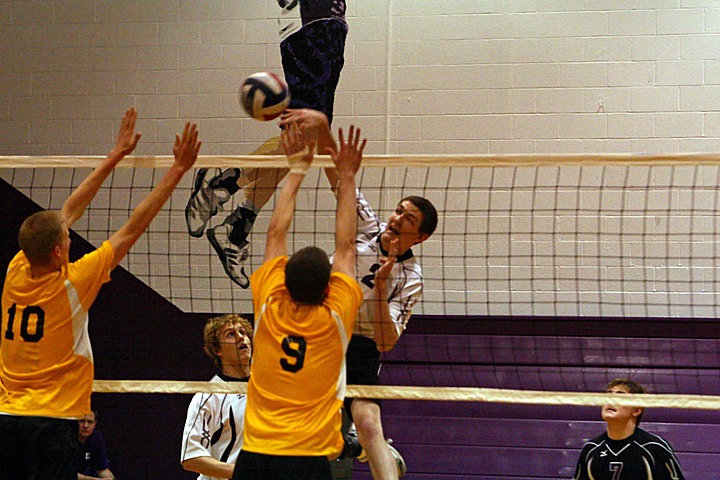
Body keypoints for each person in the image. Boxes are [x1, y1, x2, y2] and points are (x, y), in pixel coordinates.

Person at [0, 108, 201, 480]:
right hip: (52, 423)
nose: (70, 234)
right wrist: (178, 170)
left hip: (8, 419)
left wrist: (116, 154)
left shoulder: (17, 267)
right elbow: (133, 226)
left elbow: (68, 211)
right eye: (66, 238)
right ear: (59, 252)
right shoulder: (72, 284)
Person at [279, 108, 437, 480]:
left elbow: (385, 341)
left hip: (360, 345)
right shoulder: (368, 225)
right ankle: (342, 444)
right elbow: (340, 179)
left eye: (408, 220)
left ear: (422, 237)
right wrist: (321, 129)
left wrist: (381, 287)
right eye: (399, 211)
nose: (397, 220)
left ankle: (365, 447)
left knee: (368, 421)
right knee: (299, 421)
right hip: (318, 331)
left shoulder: (410, 276)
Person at [231, 121, 364, 480]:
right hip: (306, 458)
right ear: (328, 289)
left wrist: (296, 170)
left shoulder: (269, 304)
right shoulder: (334, 317)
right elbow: (348, 247)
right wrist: (347, 177)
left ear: (284, 283)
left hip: (256, 453)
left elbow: (276, 232)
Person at [185, 0, 348, 288]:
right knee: (307, 131)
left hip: (326, 25)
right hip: (313, 22)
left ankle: (237, 224)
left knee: (307, 138)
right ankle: (224, 182)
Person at [181, 314, 253, 480]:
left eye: (243, 332)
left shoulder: (267, 389)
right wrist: (241, 473)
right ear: (217, 350)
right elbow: (191, 458)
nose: (241, 338)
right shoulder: (208, 397)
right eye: (230, 334)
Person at [572, 378, 686, 480]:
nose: (610, 400)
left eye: (620, 396)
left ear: (636, 410)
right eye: (608, 395)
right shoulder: (591, 449)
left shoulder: (654, 448)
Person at [78, 410, 116, 480]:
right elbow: (67, 474)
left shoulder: (96, 438)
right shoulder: (65, 438)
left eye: (90, 422)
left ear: (95, 424)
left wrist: (110, 478)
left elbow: (102, 470)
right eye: (82, 421)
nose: (85, 426)